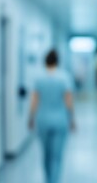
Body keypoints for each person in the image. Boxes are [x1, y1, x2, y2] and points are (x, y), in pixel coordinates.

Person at [29, 49, 75, 183]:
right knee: (57, 157)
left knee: (46, 155)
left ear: (45, 62)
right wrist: (72, 119)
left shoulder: (38, 78)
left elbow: (34, 101)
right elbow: (68, 101)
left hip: (42, 121)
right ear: (58, 61)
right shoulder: (64, 77)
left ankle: (48, 180)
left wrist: (30, 118)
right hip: (60, 121)